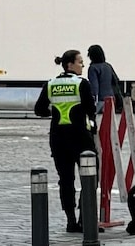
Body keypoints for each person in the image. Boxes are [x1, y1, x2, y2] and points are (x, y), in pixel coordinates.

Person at [34, 50, 97, 233]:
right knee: (90, 177)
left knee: (66, 180)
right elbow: (91, 109)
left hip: (58, 138)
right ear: (70, 64)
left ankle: (70, 220)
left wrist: (54, 113)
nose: (82, 66)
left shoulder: (51, 84)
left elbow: (39, 109)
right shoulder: (81, 84)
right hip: (81, 138)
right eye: (80, 62)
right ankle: (85, 219)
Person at [87, 45, 124, 114]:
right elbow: (116, 81)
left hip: (101, 99)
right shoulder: (108, 66)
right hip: (111, 98)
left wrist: (93, 100)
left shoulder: (93, 68)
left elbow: (94, 86)